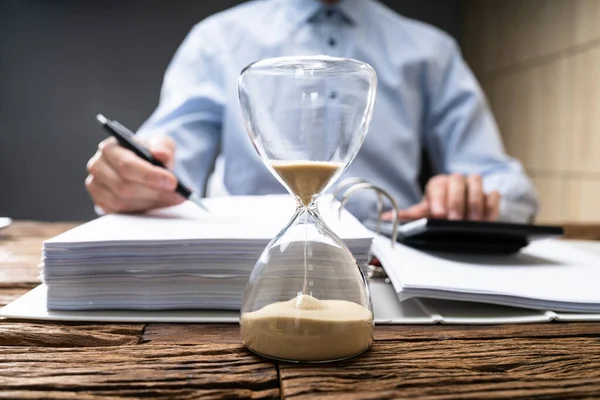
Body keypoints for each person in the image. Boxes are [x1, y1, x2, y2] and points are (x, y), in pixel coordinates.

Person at [85, 0, 539, 225]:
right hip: (240, 255)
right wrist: (138, 175)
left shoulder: (430, 51)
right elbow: (169, 154)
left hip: (388, 257)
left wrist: (471, 195)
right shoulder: (217, 40)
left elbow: (510, 186)